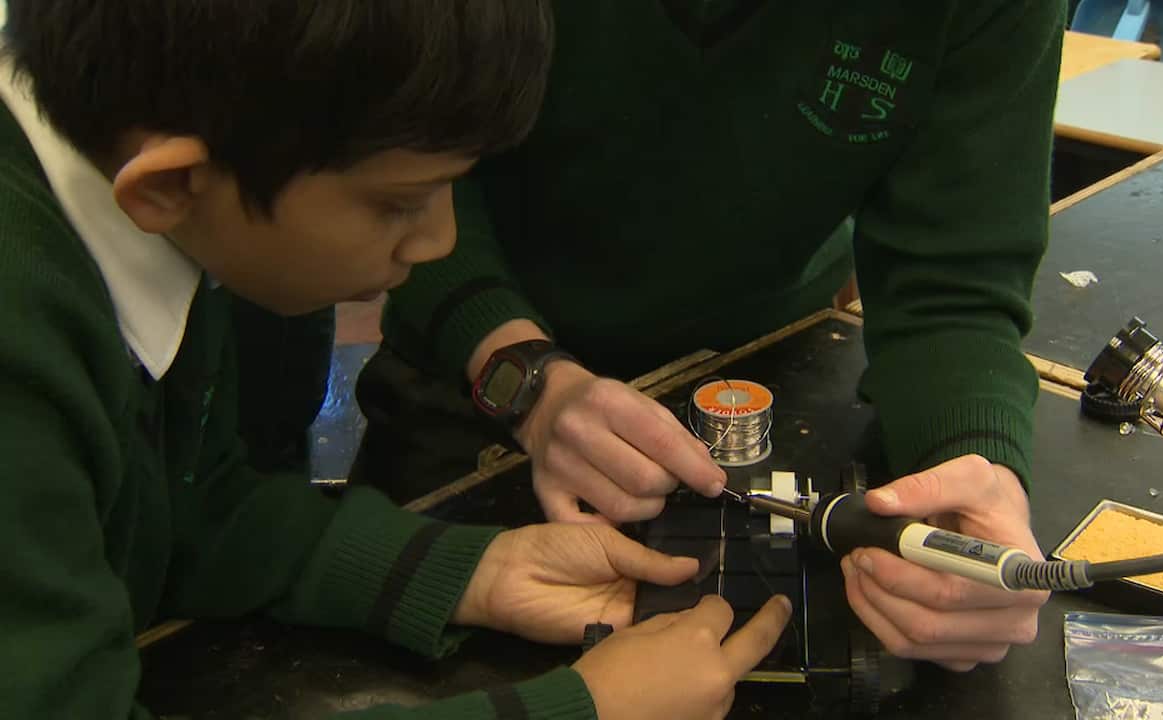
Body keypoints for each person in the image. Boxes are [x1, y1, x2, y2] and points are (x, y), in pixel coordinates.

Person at [0, 2, 790, 718]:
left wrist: (469, 572)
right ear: (171, 184)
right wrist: (585, 710)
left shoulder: (164, 193)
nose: (439, 241)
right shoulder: (23, 332)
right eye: (400, 203)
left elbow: (191, 513)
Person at [357, 0, 1064, 672]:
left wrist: (974, 472)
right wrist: (521, 375)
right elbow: (383, 174)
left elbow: (952, 280)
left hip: (773, 368)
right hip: (474, 381)